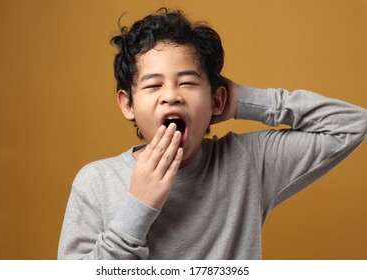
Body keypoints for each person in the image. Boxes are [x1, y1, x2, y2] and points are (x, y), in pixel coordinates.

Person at [57, 8, 367, 259]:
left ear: (216, 100)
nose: (171, 96)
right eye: (153, 85)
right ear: (128, 104)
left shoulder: (248, 163)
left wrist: (243, 100)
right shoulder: (95, 182)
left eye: (188, 82)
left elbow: (353, 124)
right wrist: (137, 209)